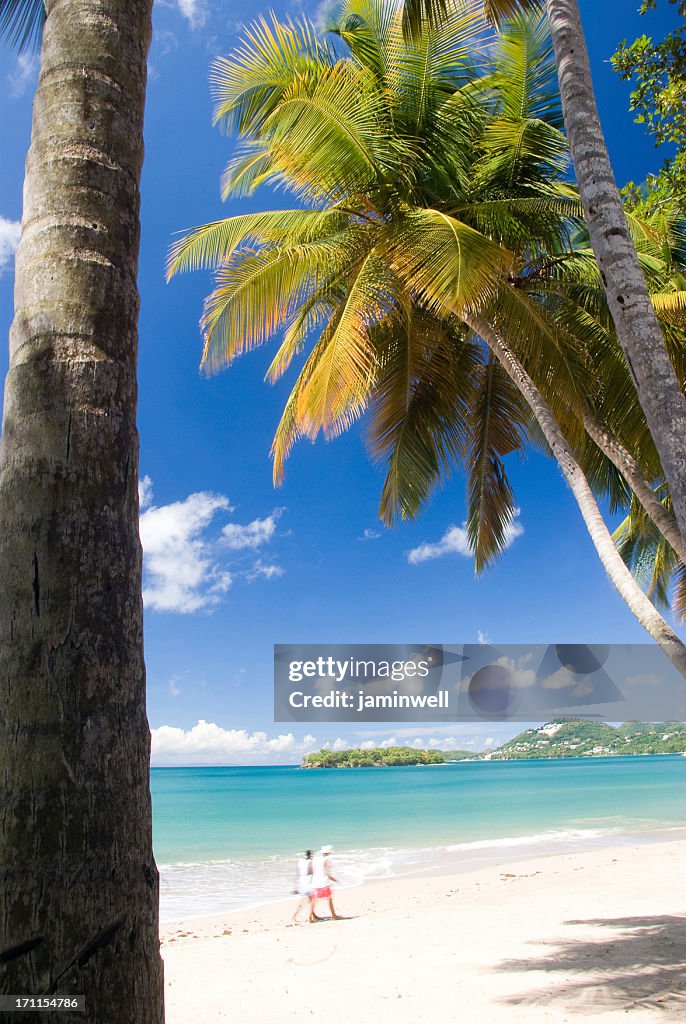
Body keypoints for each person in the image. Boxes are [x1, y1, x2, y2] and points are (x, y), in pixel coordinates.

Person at [309, 844, 341, 922]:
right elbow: (326, 873)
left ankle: (310, 917)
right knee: (329, 899)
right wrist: (334, 879)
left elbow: (313, 871)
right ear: (329, 853)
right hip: (324, 882)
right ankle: (334, 915)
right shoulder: (327, 860)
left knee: (314, 900)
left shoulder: (316, 859)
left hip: (315, 882)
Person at [291, 849, 314, 925]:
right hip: (308, 884)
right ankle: (294, 916)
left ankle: (313, 915)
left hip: (301, 884)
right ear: (310, 855)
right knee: (306, 902)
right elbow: (310, 873)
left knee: (311, 900)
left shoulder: (300, 862)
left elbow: (297, 875)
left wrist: (295, 887)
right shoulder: (310, 862)